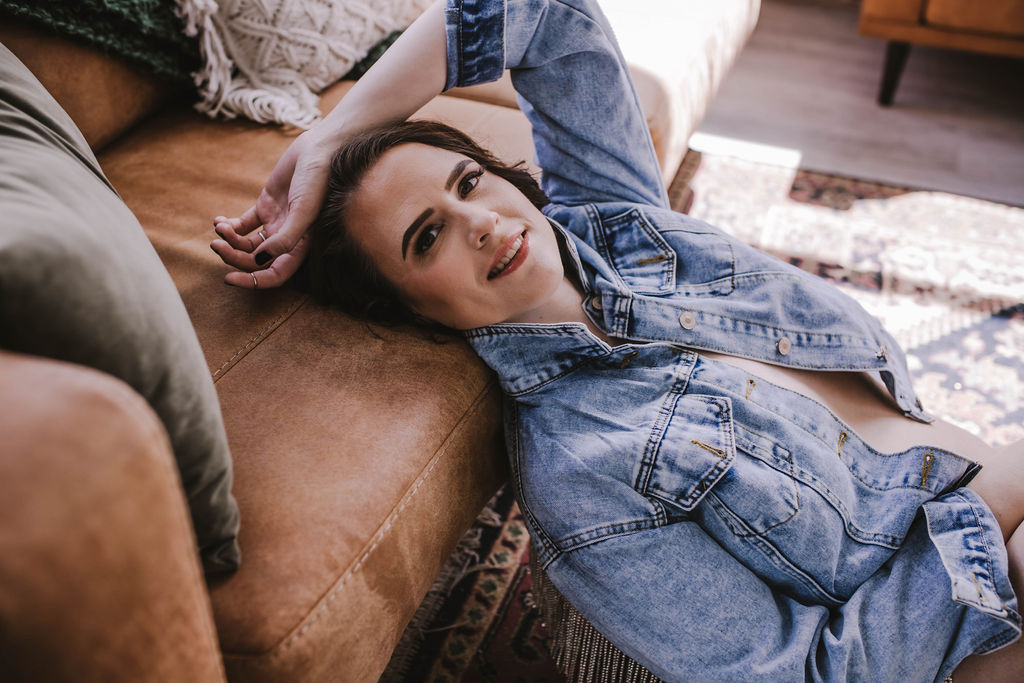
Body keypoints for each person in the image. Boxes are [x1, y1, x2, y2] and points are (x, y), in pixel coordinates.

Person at [211, 1, 1024, 679]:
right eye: (428, 238)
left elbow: (536, 10)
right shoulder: (586, 471)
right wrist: (995, 500)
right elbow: (804, 672)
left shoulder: (620, 225)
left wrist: (330, 135)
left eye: (468, 182)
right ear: (410, 310)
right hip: (968, 632)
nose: (481, 222)